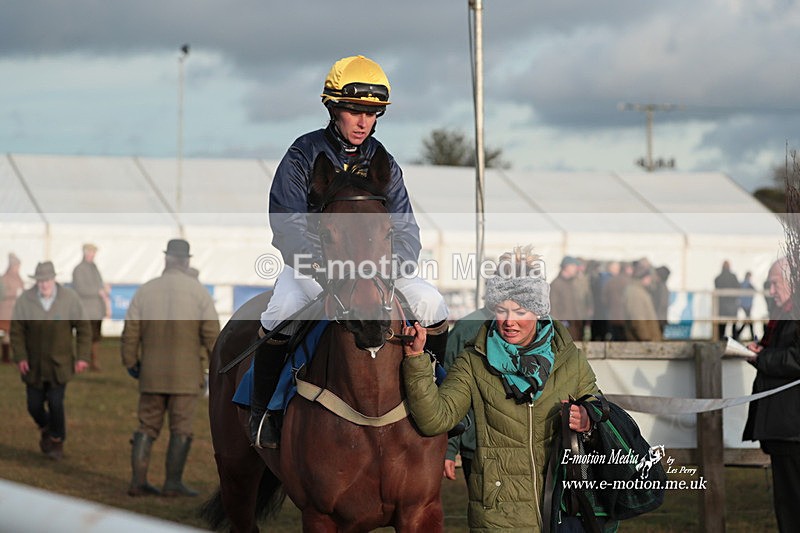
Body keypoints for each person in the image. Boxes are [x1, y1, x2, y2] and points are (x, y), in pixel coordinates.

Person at [251, 55, 449, 449]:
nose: (363, 122)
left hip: (378, 267)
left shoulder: (384, 162)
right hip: (315, 266)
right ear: (333, 107)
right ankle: (266, 412)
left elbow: (406, 228)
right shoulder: (302, 153)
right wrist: (330, 270)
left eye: (372, 113)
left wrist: (388, 269)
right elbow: (287, 221)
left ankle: (440, 400)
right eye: (354, 111)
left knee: (432, 303)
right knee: (283, 307)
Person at [401, 247, 601, 530]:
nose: (509, 321)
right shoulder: (474, 359)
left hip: (561, 506)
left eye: (520, 311)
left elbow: (596, 403)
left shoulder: (568, 356)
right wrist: (416, 360)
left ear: (539, 310)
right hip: (498, 513)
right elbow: (436, 418)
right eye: (502, 310)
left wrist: (587, 417)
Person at [121, 239, 220, 497]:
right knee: (181, 429)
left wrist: (131, 362)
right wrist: (218, 366)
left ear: (166, 259)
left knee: (146, 426)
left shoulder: (145, 290)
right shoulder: (199, 292)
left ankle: (138, 481)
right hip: (186, 378)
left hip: (151, 374)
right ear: (187, 261)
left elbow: (130, 332)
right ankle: (173, 483)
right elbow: (212, 336)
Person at [10, 261, 91, 460]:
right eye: (40, 281)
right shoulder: (25, 300)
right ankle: (47, 427)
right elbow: (17, 331)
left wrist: (82, 356)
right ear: (36, 282)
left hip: (59, 365)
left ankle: (56, 441)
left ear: (54, 279)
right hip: (33, 366)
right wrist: (20, 356)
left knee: (56, 403)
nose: (44, 285)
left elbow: (83, 329)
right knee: (33, 405)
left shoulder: (69, 299)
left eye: (47, 280)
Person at [743, 257, 800, 532]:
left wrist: (763, 357)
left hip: (793, 426)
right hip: (783, 426)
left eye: (774, 283)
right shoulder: (782, 316)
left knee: (792, 501)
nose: (771, 291)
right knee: (786, 501)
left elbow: (797, 359)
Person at [72, 243, 111, 371]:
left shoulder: (95, 268)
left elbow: (99, 285)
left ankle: (94, 361)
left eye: (94, 252)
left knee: (96, 336)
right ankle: (83, 361)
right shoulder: (78, 269)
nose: (92, 255)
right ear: (85, 252)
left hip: (96, 309)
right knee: (84, 336)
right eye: (90, 252)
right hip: (85, 309)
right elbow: (80, 289)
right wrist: (98, 291)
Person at [549, 256, 590, 341]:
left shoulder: (572, 284)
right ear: (566, 267)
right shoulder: (556, 284)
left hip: (575, 325)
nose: (576, 269)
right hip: (565, 327)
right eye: (574, 266)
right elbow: (553, 308)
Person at [623, 263, 663, 341]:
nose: (651, 279)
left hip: (648, 340)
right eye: (649, 277)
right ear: (644, 277)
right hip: (644, 343)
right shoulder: (635, 293)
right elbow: (637, 320)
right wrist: (646, 339)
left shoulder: (640, 291)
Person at [1, 253, 25, 364]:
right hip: (6, 310)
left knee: (15, 333)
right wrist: (13, 294)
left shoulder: (18, 278)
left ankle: (15, 355)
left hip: (16, 309)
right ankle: (6, 357)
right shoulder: (4, 279)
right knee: (7, 333)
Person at [714, 260, 739, 340]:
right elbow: (738, 287)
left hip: (722, 304)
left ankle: (720, 337)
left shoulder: (718, 278)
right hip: (731, 304)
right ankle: (734, 337)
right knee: (733, 323)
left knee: (722, 323)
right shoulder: (733, 277)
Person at [734, 271, 756, 340]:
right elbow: (754, 291)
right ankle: (751, 336)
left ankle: (739, 333)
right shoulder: (749, 285)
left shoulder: (741, 284)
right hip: (747, 305)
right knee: (749, 320)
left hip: (743, 304)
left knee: (748, 320)